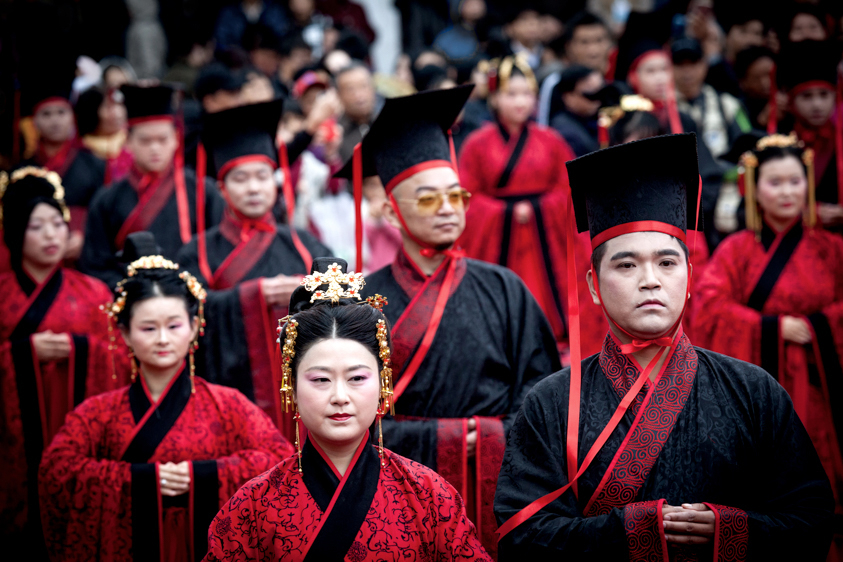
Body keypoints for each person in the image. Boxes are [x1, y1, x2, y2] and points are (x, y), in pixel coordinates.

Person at [494, 133, 834, 560]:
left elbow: (813, 519)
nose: (650, 279)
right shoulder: (549, 404)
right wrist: (628, 532)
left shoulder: (753, 391)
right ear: (594, 286)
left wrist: (731, 531)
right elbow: (519, 537)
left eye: (667, 262)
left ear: (690, 277)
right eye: (627, 264)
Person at [336, 85, 560, 557]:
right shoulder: (359, 298)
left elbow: (540, 390)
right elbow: (346, 407)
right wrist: (448, 438)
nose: (446, 209)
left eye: (456, 196)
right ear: (390, 212)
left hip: (500, 483)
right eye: (426, 199)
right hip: (393, 485)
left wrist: (499, 434)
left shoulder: (505, 288)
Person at [203, 257, 491, 561]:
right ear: (291, 385)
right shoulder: (252, 506)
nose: (340, 396)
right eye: (320, 379)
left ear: (383, 382)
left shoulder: (429, 495)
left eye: (356, 378)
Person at [39, 235, 292, 561]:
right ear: (126, 333)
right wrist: (142, 480)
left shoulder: (229, 405)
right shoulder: (98, 412)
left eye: (174, 326)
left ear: (194, 326)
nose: (162, 339)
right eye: (147, 328)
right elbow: (56, 470)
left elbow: (279, 461)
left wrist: (201, 476)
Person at [693, 133, 843, 557]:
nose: (787, 192)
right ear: (753, 188)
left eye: (795, 182)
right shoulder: (735, 251)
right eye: (775, 183)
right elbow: (709, 306)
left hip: (820, 386)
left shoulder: (832, 249)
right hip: (761, 387)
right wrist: (773, 327)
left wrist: (817, 324)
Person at [176, 99, 330, 434]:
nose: (254, 187)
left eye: (263, 176)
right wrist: (251, 295)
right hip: (230, 391)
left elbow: (343, 293)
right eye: (240, 178)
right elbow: (183, 314)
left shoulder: (302, 243)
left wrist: (307, 291)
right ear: (222, 188)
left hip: (302, 393)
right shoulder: (200, 251)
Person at [0, 167, 129, 560]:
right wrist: (20, 355)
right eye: (37, 226)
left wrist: (80, 350)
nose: (52, 235)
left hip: (75, 429)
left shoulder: (93, 292)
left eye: (58, 223)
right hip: (12, 440)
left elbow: (122, 362)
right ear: (14, 232)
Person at [459, 56, 576, 342]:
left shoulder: (551, 141)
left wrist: (537, 209)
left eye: (527, 94)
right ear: (495, 98)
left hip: (543, 236)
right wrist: (506, 213)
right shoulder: (476, 144)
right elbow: (465, 197)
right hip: (499, 235)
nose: (520, 102)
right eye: (511, 94)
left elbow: (569, 189)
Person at [79, 84, 225, 288]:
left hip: (189, 294)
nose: (155, 148)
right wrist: (133, 291)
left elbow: (218, 250)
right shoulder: (107, 199)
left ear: (176, 138)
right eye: (145, 141)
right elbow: (95, 264)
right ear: (128, 141)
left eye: (163, 139)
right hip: (132, 299)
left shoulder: (203, 191)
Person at [20, 79, 106, 260]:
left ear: (72, 117)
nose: (55, 120)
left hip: (87, 252)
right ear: (34, 122)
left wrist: (84, 235)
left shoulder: (96, 164)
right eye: (46, 114)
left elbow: (104, 212)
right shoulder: (22, 171)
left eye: (61, 112)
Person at [774, 40, 843, 230]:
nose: (817, 105)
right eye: (806, 96)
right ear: (790, 100)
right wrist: (806, 214)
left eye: (824, 95)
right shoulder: (777, 140)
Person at [672, 37, 749, 158]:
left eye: (693, 63)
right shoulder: (660, 107)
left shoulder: (728, 104)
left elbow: (747, 146)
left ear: (704, 64)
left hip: (722, 174)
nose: (687, 71)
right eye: (679, 64)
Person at [75, 86, 134, 184]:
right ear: (91, 112)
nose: (118, 113)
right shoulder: (78, 154)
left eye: (119, 105)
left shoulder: (132, 144)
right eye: (108, 107)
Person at [549, 64, 604, 157]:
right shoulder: (564, 132)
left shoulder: (600, 118)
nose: (598, 99)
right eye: (591, 93)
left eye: (602, 91)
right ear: (569, 97)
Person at [336, 62, 381, 163]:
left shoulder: (389, 124)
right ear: (339, 95)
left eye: (363, 86)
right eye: (350, 89)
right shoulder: (336, 134)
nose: (359, 95)